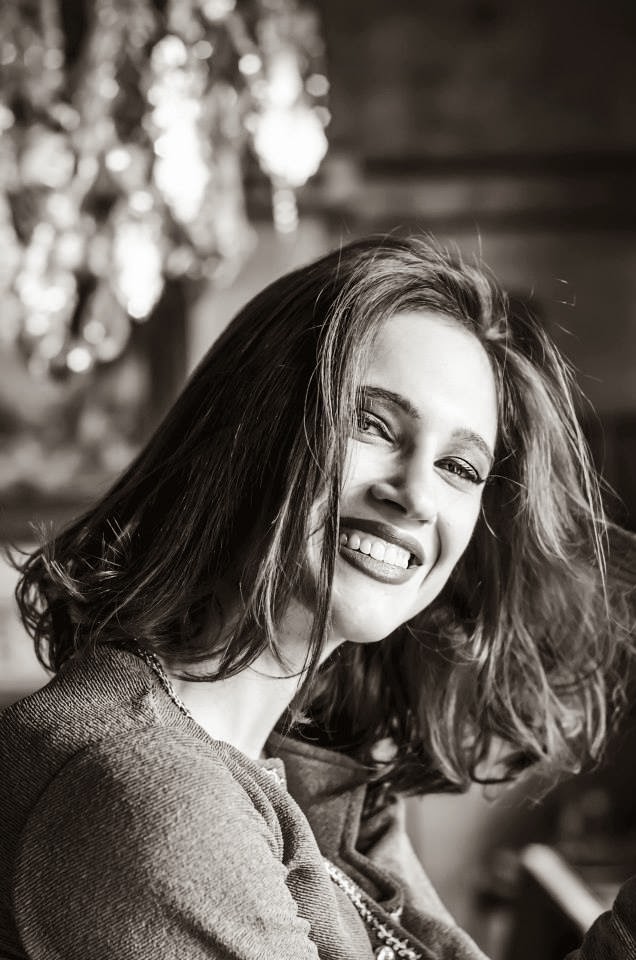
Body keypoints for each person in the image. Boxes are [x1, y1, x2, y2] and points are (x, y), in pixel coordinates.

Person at [0, 235, 633, 960]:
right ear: (253, 429)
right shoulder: (155, 798)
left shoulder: (305, 775)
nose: (417, 495)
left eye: (460, 466)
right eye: (373, 424)